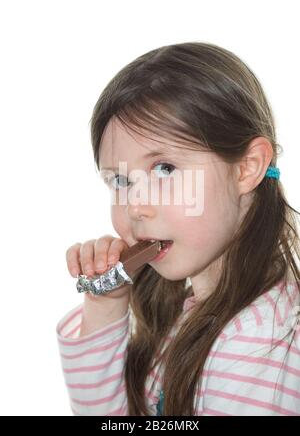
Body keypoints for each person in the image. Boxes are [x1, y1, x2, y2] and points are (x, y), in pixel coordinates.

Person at [56, 42, 300, 416]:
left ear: (247, 167)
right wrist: (105, 304)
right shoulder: (195, 310)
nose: (136, 206)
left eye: (165, 169)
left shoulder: (256, 342)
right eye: (120, 180)